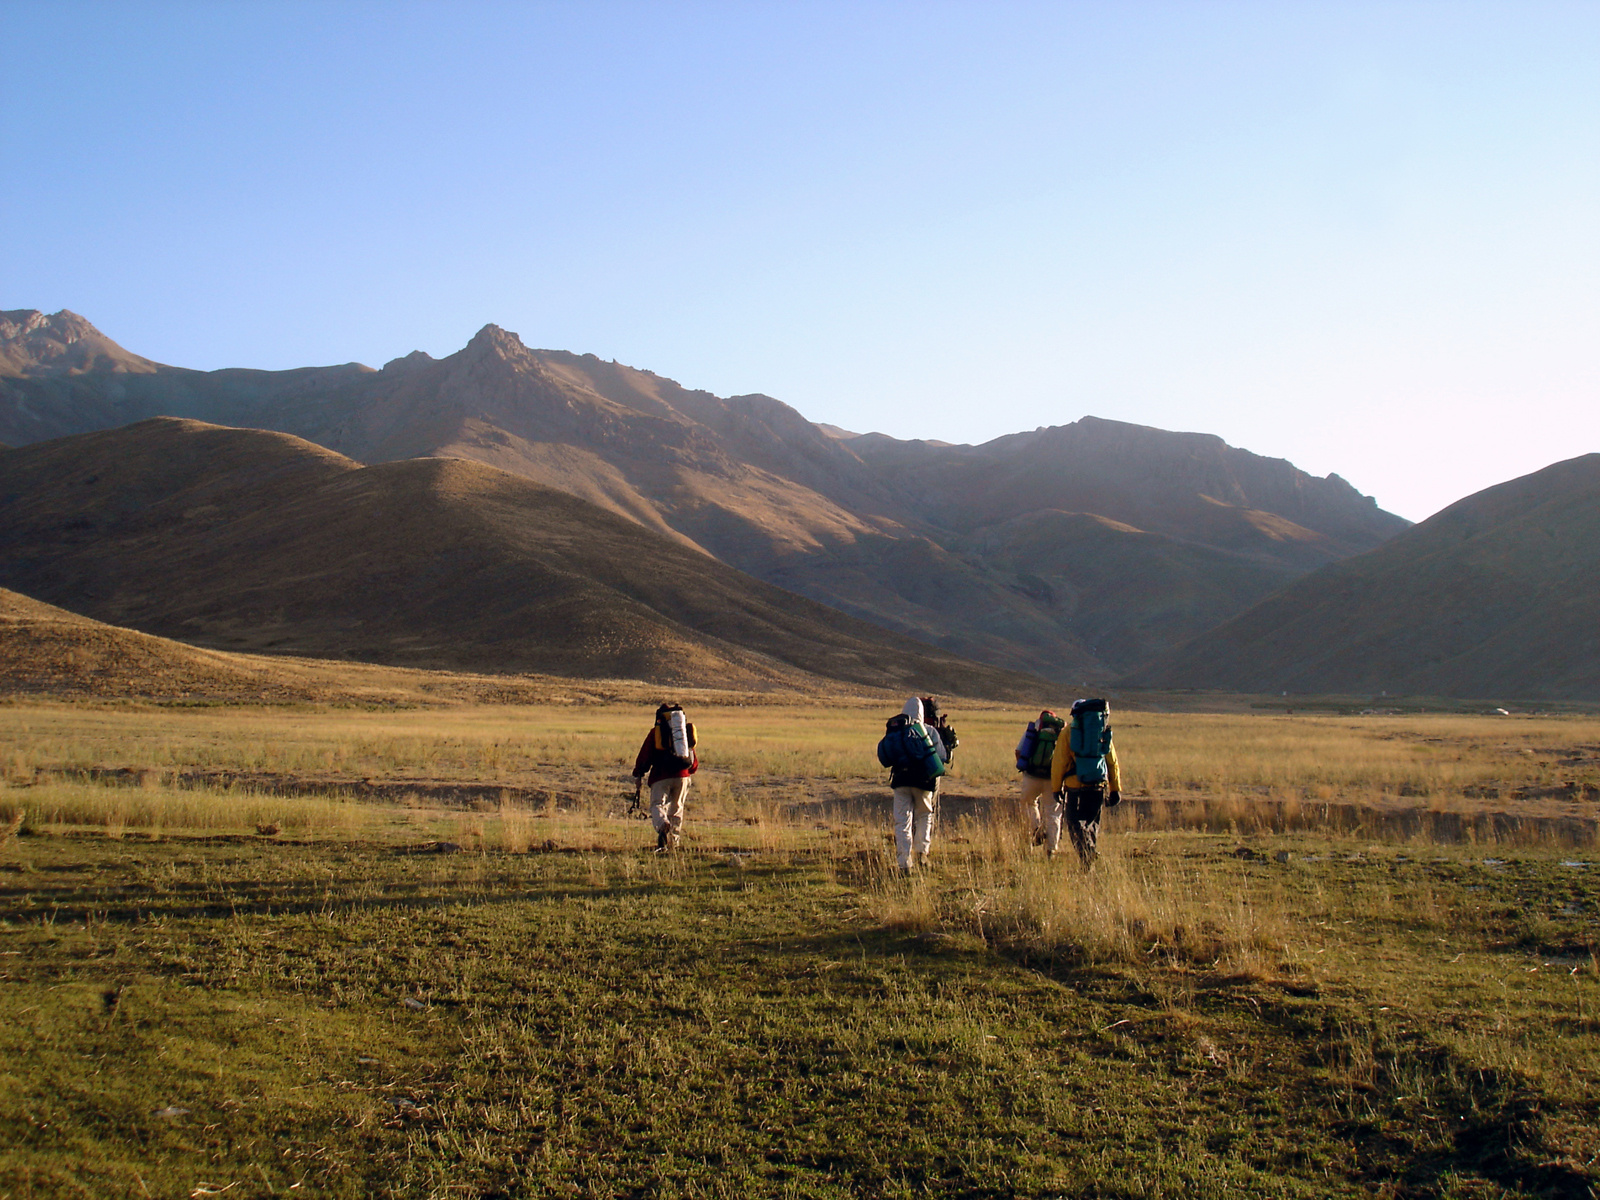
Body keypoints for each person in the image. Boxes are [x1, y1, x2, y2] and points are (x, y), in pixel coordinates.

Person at [877, 696, 949, 872]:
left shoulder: (897, 731)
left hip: (900, 781)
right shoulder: (929, 730)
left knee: (902, 822)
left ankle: (904, 862)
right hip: (924, 781)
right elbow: (942, 756)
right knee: (924, 815)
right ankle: (922, 853)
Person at [1049, 698, 1122, 865]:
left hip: (1075, 787)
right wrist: (1115, 789)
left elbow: (1059, 763)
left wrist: (1056, 788)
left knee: (1074, 824)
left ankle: (1087, 854)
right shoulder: (1101, 731)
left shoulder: (1068, 732)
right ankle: (1088, 862)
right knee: (1091, 825)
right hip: (1098, 785)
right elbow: (1112, 762)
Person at [631, 703, 698, 852]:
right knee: (677, 809)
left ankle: (662, 826)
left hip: (661, 776)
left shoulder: (656, 733)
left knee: (657, 805)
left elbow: (645, 756)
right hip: (683, 776)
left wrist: (639, 773)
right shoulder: (683, 734)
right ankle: (674, 842)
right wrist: (687, 772)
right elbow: (693, 762)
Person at [1014, 710, 1065, 852]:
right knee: (1053, 813)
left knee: (1028, 804)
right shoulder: (1061, 733)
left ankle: (1035, 829)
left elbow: (1018, 751)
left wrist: (1025, 768)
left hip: (1032, 776)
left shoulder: (1034, 729)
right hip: (1053, 779)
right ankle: (1051, 850)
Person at [919, 695, 959, 838]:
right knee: (930, 806)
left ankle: (913, 836)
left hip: (910, 771)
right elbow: (946, 757)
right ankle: (928, 837)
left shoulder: (912, 726)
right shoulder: (936, 729)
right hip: (934, 770)